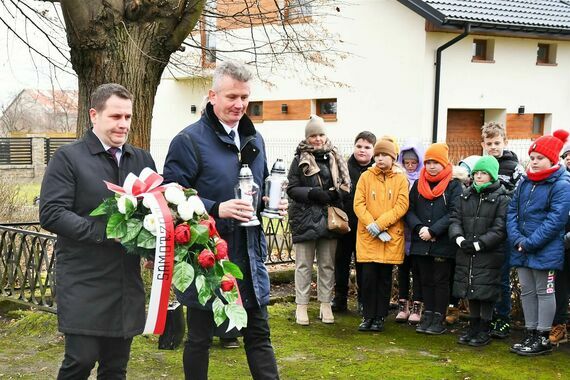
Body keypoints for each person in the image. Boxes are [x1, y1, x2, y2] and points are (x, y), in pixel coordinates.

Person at [163, 61, 282, 379]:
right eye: (232, 96)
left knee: (259, 335)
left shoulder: (255, 139)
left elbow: (262, 183)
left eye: (245, 97)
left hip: (249, 254)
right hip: (208, 257)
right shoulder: (188, 141)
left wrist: (269, 201)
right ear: (212, 95)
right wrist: (217, 208)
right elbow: (171, 197)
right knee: (200, 339)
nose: (239, 104)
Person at [39, 83, 156, 379]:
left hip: (125, 282)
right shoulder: (68, 158)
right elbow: (52, 213)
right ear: (94, 115)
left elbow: (156, 211)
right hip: (84, 279)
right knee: (80, 360)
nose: (123, 124)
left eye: (128, 117)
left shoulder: (142, 160)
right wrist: (106, 232)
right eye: (115, 116)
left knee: (116, 368)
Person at [507, 130, 570, 356]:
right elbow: (512, 211)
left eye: (539, 158)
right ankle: (530, 332)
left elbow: (556, 220)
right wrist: (517, 239)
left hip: (543, 249)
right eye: (532, 158)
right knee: (527, 291)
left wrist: (530, 243)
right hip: (522, 247)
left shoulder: (561, 184)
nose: (534, 162)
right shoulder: (525, 182)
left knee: (544, 292)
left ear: (552, 159)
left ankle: (543, 337)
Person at [287, 115, 350, 326]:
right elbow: (292, 188)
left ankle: (325, 304)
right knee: (303, 265)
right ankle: (301, 306)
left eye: (321, 134)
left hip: (330, 218)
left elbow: (345, 185)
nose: (318, 139)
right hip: (305, 217)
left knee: (327, 265)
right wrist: (313, 193)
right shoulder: (299, 159)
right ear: (307, 137)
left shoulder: (335, 157)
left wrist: (335, 194)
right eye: (313, 135)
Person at [449, 156, 510, 346]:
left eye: (483, 173)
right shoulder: (465, 195)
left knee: (486, 291)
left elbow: (500, 229)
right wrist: (459, 239)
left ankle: (484, 327)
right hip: (466, 250)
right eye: (476, 173)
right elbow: (455, 219)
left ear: (491, 175)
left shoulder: (502, 198)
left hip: (488, 253)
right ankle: (473, 325)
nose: (479, 176)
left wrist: (479, 244)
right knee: (471, 288)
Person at [405, 143, 462, 335]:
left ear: (444, 163)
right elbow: (410, 210)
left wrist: (434, 231)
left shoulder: (454, 185)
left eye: (435, 162)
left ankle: (438, 317)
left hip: (443, 244)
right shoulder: (418, 184)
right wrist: (420, 228)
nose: (431, 166)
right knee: (425, 280)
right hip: (421, 242)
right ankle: (427, 314)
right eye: (428, 162)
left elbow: (454, 212)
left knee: (441, 281)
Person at [354, 139, 409, 331]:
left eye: (384, 155)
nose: (380, 158)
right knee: (368, 279)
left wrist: (380, 224)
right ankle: (367, 316)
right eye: (377, 155)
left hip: (389, 235)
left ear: (393, 157)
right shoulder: (365, 177)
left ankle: (380, 317)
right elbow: (358, 204)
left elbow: (401, 206)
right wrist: (371, 224)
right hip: (368, 236)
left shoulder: (401, 179)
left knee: (384, 279)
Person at [480, 122, 524, 338]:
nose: (493, 147)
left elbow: (518, 197)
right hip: (484, 230)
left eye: (497, 142)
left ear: (504, 142)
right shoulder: (481, 165)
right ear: (483, 144)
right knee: (485, 275)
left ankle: (503, 318)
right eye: (489, 143)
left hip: (504, 231)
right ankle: (485, 318)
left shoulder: (514, 167)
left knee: (502, 277)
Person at [332, 131, 377, 313]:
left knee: (363, 266)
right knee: (341, 263)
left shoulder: (376, 171)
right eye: (359, 146)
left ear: (373, 151)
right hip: (345, 224)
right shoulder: (343, 167)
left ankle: (363, 300)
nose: (362, 150)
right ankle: (340, 298)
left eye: (367, 147)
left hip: (367, 227)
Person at [395, 143, 424, 324]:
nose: (410, 166)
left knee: (419, 270)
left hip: (418, 230)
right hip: (401, 231)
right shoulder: (399, 177)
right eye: (407, 162)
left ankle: (417, 305)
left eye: (414, 162)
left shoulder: (423, 179)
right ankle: (402, 303)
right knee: (403, 269)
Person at [550, 144, 570, 345]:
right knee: (560, 287)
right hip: (561, 245)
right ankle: (560, 325)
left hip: (565, 240)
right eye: (567, 155)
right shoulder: (559, 181)